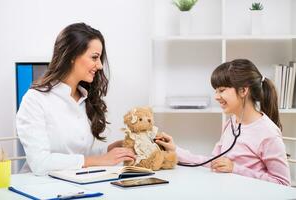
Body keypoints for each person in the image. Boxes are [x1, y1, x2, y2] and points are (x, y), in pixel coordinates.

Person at [16, 23, 135, 175]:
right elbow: (40, 163)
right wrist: (100, 160)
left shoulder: (85, 99)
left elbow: (77, 156)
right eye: (94, 57)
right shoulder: (35, 99)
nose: (99, 66)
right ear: (72, 56)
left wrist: (110, 150)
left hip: (79, 184)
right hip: (40, 187)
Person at [155, 59, 291, 186]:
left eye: (221, 90)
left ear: (243, 90)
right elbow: (214, 163)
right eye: (216, 91)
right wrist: (175, 150)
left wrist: (235, 169)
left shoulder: (268, 133)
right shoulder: (231, 123)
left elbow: (283, 183)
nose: (216, 96)